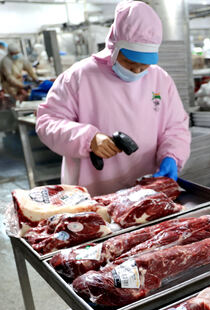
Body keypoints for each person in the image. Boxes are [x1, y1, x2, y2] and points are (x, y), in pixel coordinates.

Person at [36, 0, 190, 196]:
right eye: (130, 63)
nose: (137, 71)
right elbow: (47, 122)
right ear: (114, 47)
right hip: (95, 192)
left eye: (144, 66)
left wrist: (172, 155)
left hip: (147, 192)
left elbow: (175, 126)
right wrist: (88, 139)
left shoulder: (160, 79)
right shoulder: (79, 77)